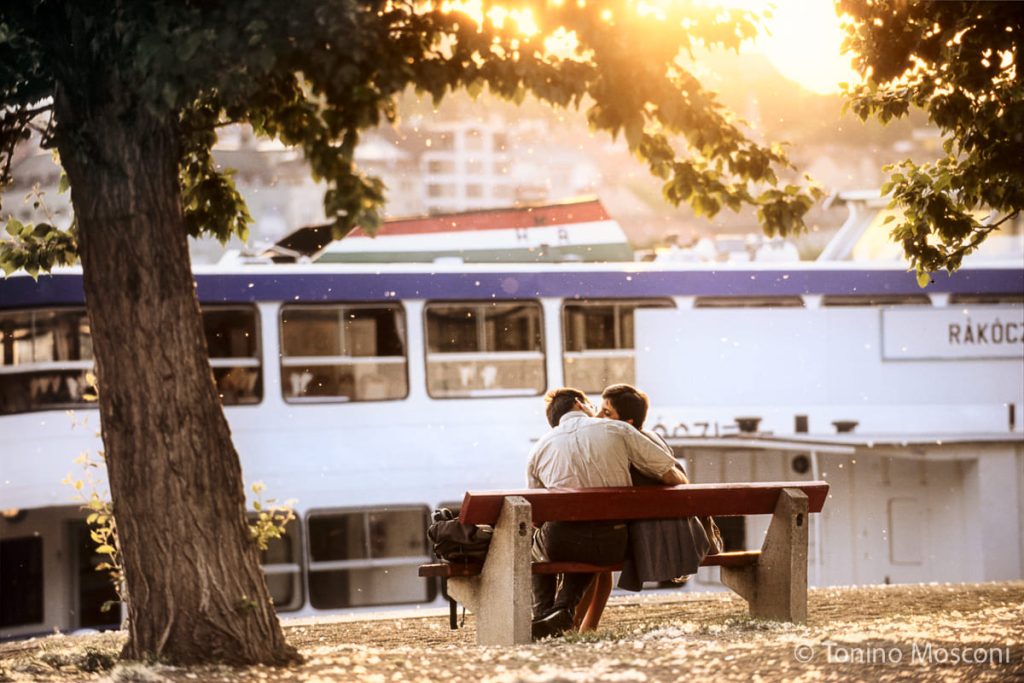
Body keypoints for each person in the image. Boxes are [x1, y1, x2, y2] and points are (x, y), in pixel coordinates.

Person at [526, 387, 685, 640]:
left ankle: (544, 613)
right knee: (593, 540)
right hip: (611, 541)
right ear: (579, 404)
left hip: (563, 541)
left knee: (537, 546)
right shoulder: (619, 429)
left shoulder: (540, 448)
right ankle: (561, 609)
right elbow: (672, 475)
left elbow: (536, 517)